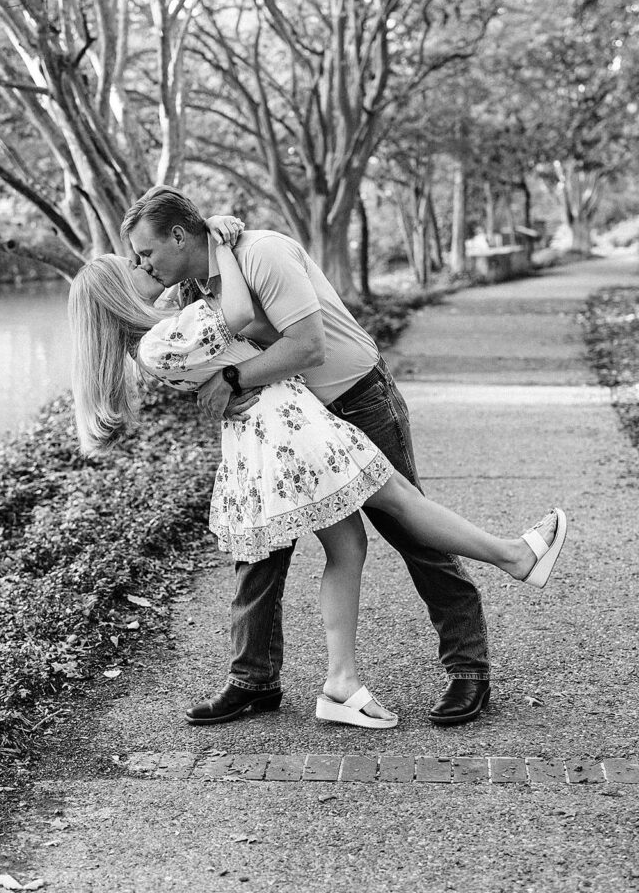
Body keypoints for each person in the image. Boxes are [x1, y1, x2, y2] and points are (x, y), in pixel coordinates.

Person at [69, 225, 568, 729]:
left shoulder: (236, 270)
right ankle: (511, 559)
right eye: (133, 264)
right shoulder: (172, 327)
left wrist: (228, 373)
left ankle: (429, 670)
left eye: (143, 254)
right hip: (293, 429)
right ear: (120, 295)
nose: (144, 265)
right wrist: (219, 254)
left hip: (336, 405)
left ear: (179, 237)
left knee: (369, 539)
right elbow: (247, 320)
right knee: (392, 514)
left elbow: (295, 342)